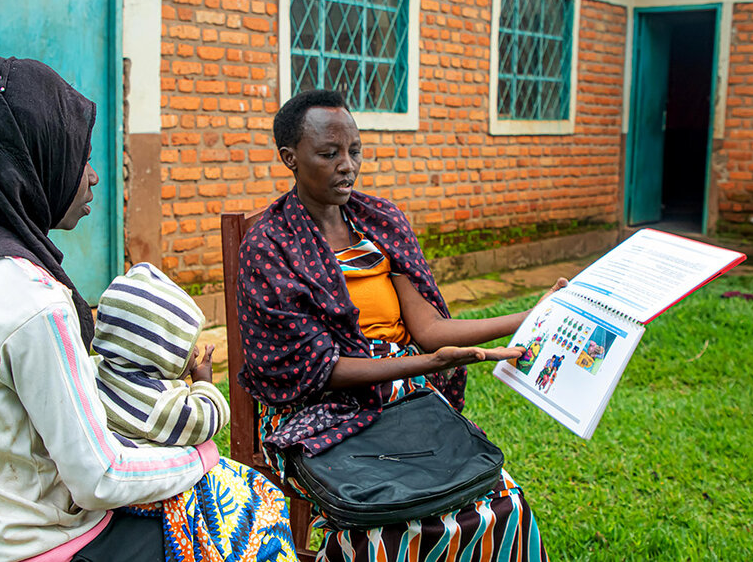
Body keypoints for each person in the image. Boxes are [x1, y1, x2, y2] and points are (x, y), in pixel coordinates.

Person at [0, 57, 296, 562]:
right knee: (249, 501)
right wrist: (200, 457)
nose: (91, 177)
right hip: (42, 547)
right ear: (26, 160)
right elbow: (100, 478)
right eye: (76, 155)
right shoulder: (30, 299)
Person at [236, 89, 566, 561]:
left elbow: (429, 329)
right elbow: (319, 371)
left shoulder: (380, 221)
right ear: (290, 157)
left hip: (403, 398)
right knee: (378, 532)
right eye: (329, 154)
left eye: (355, 151)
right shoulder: (270, 245)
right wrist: (427, 364)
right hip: (313, 412)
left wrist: (531, 315)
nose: (346, 165)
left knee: (504, 504)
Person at [93, 261, 230, 450]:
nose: (197, 352)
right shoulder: (158, 405)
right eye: (187, 347)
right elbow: (207, 419)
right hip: (162, 475)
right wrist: (204, 384)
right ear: (157, 353)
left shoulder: (95, 371)